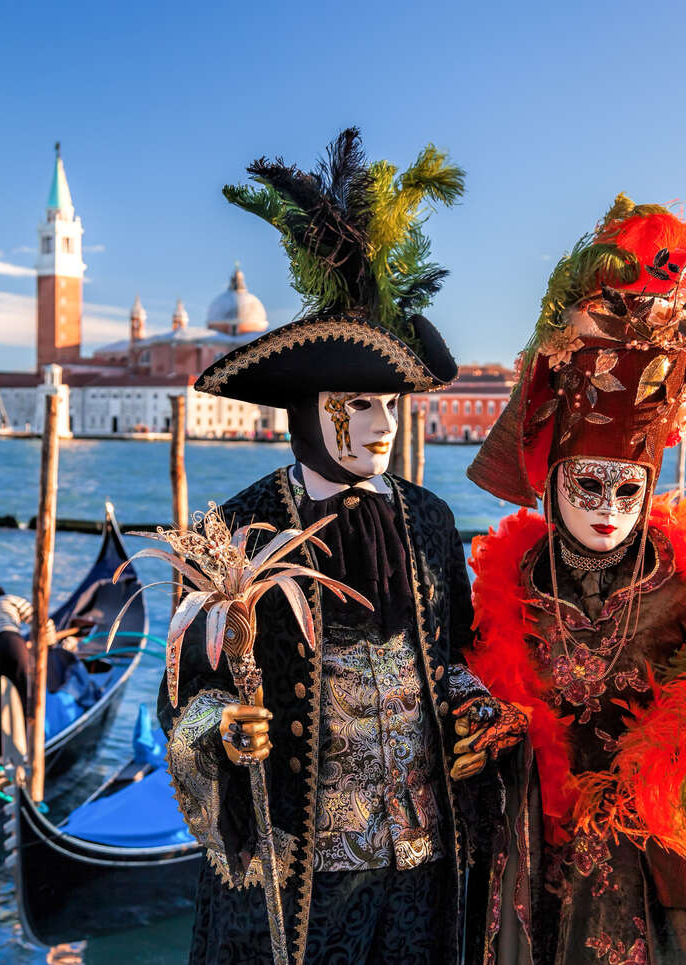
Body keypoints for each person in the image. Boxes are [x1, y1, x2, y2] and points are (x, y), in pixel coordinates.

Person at [158, 129, 526, 965]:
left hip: (425, 871)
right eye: (360, 403)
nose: (384, 425)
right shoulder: (238, 526)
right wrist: (222, 730)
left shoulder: (429, 519)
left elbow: (452, 650)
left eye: (391, 404)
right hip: (298, 881)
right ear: (309, 407)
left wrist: (477, 706)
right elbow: (184, 693)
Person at [465, 195, 686, 963]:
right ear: (554, 481)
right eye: (586, 485)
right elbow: (467, 689)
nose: (605, 508)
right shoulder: (512, 582)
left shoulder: (680, 584)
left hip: (646, 867)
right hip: (533, 852)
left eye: (625, 489)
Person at [0, 579, 54, 759]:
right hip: (11, 642)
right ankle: (32, 741)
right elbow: (39, 620)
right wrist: (51, 643)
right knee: (26, 692)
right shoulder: (7, 599)